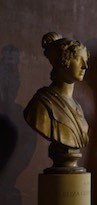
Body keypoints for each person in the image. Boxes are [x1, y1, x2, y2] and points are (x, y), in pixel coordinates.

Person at [24, 32, 90, 171]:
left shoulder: (77, 107)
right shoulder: (41, 104)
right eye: (78, 59)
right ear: (63, 61)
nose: (85, 66)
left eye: (86, 60)